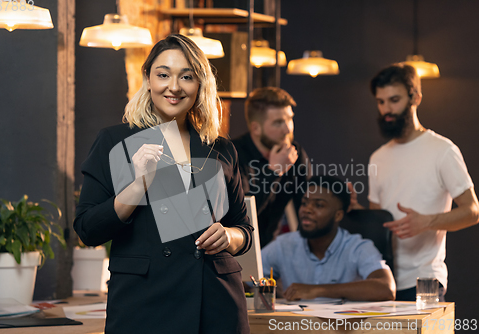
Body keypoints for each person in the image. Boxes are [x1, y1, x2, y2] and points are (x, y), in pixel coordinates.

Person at [74, 34, 253, 334]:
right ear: (147, 78)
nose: (174, 86)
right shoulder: (115, 142)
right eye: (163, 75)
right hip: (145, 304)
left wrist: (230, 237)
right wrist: (138, 185)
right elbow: (87, 229)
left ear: (200, 84)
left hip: (216, 303)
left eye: (186, 76)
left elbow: (243, 228)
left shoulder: (220, 148)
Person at [351, 64, 479, 301]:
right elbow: (380, 223)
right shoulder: (377, 157)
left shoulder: (443, 150)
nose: (387, 109)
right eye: (380, 102)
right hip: (382, 279)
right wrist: (356, 214)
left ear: (416, 97)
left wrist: (427, 221)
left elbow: (473, 211)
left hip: (426, 279)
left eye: (394, 100)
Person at [261, 175, 396, 301]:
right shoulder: (284, 245)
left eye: (318, 205)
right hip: (294, 325)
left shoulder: (358, 247)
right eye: (304, 203)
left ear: (338, 215)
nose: (307, 210)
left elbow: (386, 288)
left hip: (343, 325)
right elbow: (247, 280)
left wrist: (318, 290)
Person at [232, 87, 311, 248]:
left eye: (289, 119)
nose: (287, 129)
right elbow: (243, 215)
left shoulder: (294, 153)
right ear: (256, 128)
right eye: (278, 123)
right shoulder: (233, 155)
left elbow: (306, 204)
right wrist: (274, 172)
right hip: (239, 248)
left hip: (273, 248)